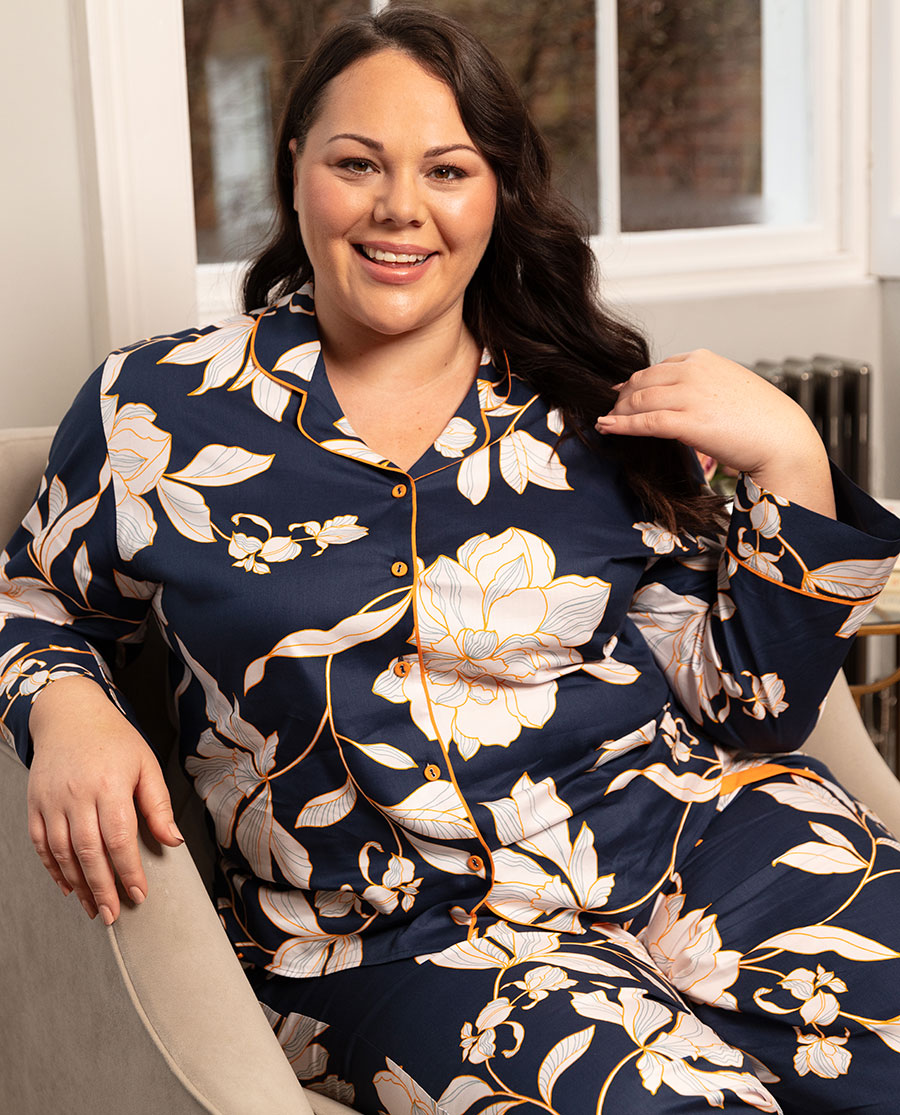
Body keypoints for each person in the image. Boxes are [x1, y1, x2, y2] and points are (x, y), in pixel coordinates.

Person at [2, 7, 900, 1112]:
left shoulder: (585, 403)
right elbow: (33, 595)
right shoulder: (157, 407)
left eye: (447, 169)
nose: (400, 207)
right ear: (296, 171)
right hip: (396, 940)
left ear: (497, 195)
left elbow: (749, 707)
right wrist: (66, 708)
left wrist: (795, 459)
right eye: (357, 163)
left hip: (696, 841)